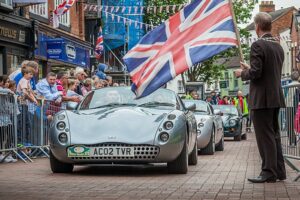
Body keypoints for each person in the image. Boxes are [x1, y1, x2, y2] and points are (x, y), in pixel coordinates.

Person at [234, 12, 286, 183]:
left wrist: (243, 73)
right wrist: (250, 68)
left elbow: (256, 73)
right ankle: (279, 171)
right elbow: (266, 72)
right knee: (274, 134)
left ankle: (268, 172)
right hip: (275, 97)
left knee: (265, 137)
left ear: (257, 27)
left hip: (262, 99)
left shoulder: (257, 45)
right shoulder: (278, 46)